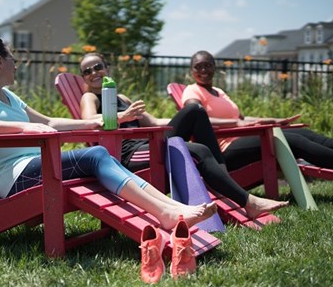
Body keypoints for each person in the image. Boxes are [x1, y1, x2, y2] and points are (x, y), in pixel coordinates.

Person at [0, 36, 219, 231]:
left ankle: (173, 208)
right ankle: (165, 211)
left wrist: (96, 122)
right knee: (96, 155)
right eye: (13, 59)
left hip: (36, 166)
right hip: (15, 177)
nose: (16, 65)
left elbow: (50, 121)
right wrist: (24, 126)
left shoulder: (10, 97)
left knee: (100, 156)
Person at [79, 53, 289, 219]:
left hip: (147, 143)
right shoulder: (90, 97)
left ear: (107, 68)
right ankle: (248, 201)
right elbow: (90, 122)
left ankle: (231, 190)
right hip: (130, 155)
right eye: (87, 71)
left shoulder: (121, 96)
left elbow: (152, 123)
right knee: (198, 148)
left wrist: (181, 118)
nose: (94, 72)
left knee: (195, 114)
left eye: (98, 66)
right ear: (84, 78)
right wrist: (122, 116)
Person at [182, 50, 333, 174]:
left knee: (299, 132)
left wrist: (274, 120)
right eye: (198, 66)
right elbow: (198, 120)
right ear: (192, 71)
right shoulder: (192, 91)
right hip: (223, 150)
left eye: (207, 65)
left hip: (241, 137)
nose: (203, 70)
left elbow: (242, 118)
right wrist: (238, 124)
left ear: (214, 67)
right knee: (290, 140)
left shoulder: (220, 93)